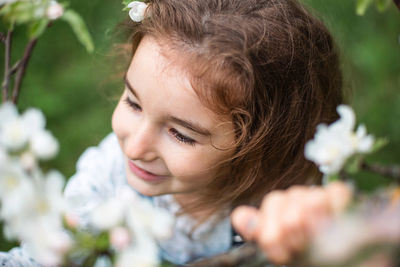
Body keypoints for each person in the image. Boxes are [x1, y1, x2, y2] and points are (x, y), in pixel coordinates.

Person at [0, 0, 352, 265]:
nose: (135, 147)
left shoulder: (281, 214)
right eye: (133, 104)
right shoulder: (105, 182)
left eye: (181, 135)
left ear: (262, 148)